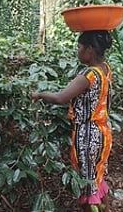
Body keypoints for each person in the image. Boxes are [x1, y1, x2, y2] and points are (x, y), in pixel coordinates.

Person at [30, 31, 113, 212]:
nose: (78, 51)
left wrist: (40, 94)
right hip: (102, 132)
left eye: (79, 47)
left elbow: (61, 97)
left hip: (88, 136)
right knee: (96, 177)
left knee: (87, 183)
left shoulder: (89, 75)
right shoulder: (105, 68)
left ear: (89, 49)